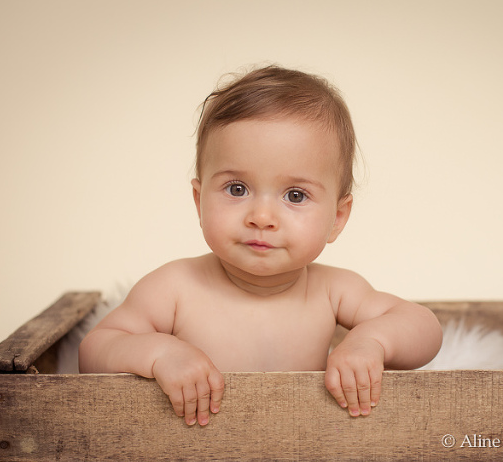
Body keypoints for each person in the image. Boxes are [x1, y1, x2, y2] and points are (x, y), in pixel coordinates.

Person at [78, 66, 443, 426]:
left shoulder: (333, 289)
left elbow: (424, 327)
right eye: (237, 189)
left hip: (301, 458)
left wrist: (371, 341)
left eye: (295, 195)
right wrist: (159, 352)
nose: (262, 216)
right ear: (198, 200)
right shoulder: (174, 286)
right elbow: (94, 348)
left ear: (337, 218)